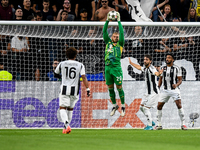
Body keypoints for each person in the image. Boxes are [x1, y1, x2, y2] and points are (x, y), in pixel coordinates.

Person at [54, 47, 90, 134]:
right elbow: (83, 77)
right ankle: (65, 128)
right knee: (70, 109)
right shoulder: (80, 64)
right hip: (75, 90)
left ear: (66, 55)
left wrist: (63, 76)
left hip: (64, 89)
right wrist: (87, 88)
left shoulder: (62, 63)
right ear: (75, 55)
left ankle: (66, 124)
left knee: (62, 108)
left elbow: (55, 73)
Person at [128, 55, 163, 130]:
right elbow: (139, 67)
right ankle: (151, 121)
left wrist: (159, 73)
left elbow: (156, 73)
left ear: (150, 61)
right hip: (148, 92)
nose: (145, 61)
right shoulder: (146, 68)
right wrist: (131, 63)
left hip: (154, 92)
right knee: (141, 107)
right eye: (144, 59)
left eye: (147, 60)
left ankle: (150, 126)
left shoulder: (151, 68)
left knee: (146, 108)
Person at [155, 53, 187, 130]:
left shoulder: (177, 68)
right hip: (165, 90)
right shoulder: (163, 67)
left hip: (174, 90)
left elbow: (180, 80)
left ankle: (183, 124)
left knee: (179, 105)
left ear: (172, 59)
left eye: (169, 58)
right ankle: (159, 125)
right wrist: (158, 87)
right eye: (166, 58)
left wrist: (176, 85)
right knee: (159, 106)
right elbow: (161, 79)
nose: (167, 59)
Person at [103, 11, 125, 117]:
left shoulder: (120, 44)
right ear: (112, 37)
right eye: (114, 36)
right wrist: (107, 20)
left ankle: (123, 106)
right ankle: (115, 105)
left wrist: (119, 21)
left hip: (116, 68)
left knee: (119, 87)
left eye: (117, 36)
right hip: (107, 68)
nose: (116, 37)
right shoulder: (108, 43)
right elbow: (104, 33)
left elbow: (121, 32)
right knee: (110, 89)